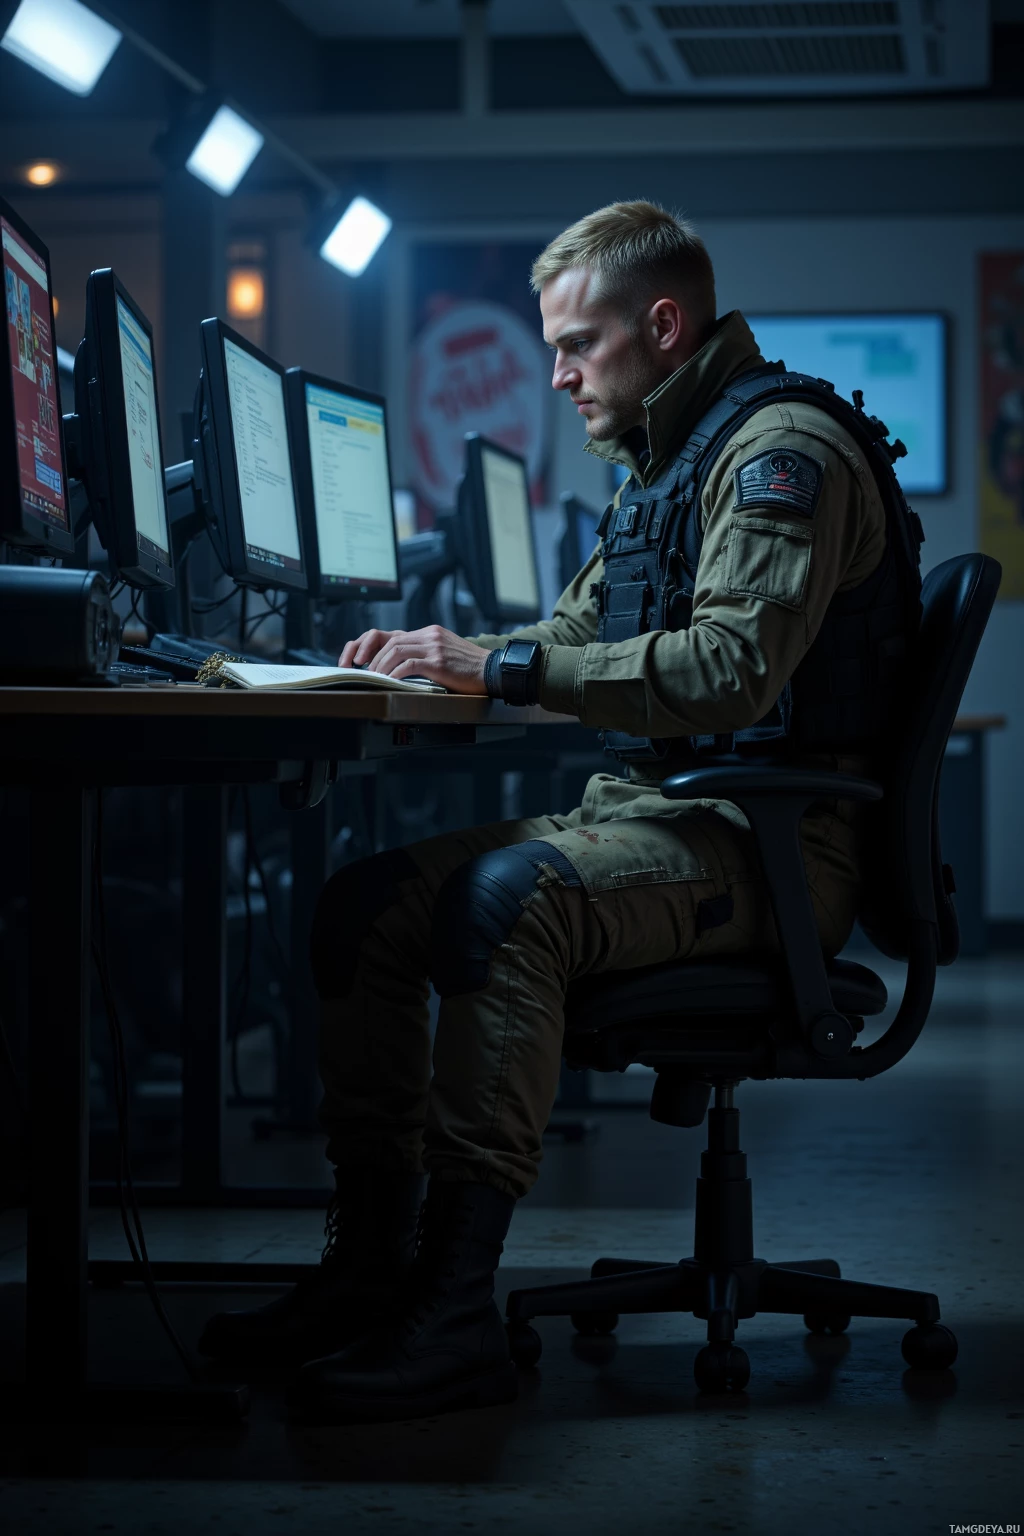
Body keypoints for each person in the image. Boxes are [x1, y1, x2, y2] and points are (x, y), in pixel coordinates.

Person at [200, 201, 921, 1422]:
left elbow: (727, 672)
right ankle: (367, 1273)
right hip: (677, 822)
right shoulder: (663, 463)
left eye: (578, 345)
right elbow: (579, 633)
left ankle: (451, 1308)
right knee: (362, 908)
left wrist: (507, 674)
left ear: (663, 323)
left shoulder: (776, 454)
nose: (559, 375)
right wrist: (442, 655)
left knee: (504, 901)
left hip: (772, 852)